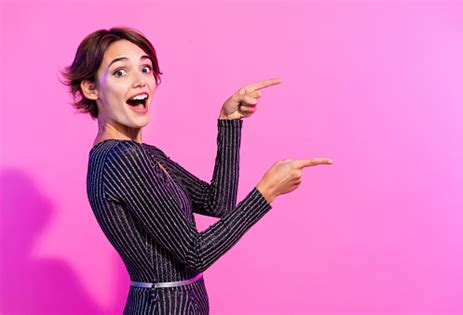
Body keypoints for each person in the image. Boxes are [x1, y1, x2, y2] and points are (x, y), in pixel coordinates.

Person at [61, 26, 333, 315]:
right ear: (90, 88)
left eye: (145, 68)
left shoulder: (141, 154)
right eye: (120, 72)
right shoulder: (124, 158)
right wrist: (266, 192)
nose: (140, 81)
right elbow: (195, 254)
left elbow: (218, 203)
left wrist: (229, 122)